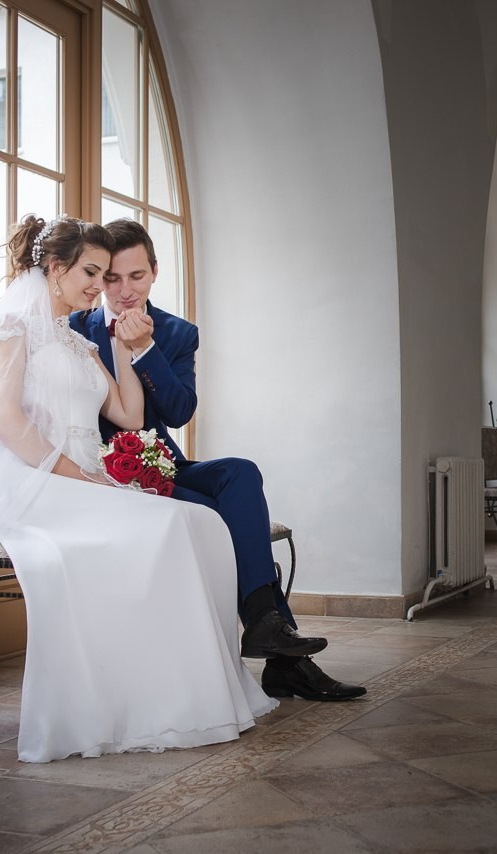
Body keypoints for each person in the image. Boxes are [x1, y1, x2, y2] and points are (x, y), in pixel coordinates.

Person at [0, 214, 278, 763]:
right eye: (92, 272)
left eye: (107, 273)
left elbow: (130, 415)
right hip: (42, 478)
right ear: (55, 267)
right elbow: (4, 422)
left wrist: (127, 347)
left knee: (204, 521)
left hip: (93, 475)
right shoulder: (11, 329)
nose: (101, 285)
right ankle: (146, 697)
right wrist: (80, 476)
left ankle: (186, 687)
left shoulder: (79, 342)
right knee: (173, 523)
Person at [70, 218, 366, 702]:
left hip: (165, 464)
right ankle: (284, 658)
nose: (125, 291)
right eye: (112, 278)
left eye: (137, 276)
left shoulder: (175, 332)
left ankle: (267, 627)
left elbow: (178, 411)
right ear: (99, 278)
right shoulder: (73, 330)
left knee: (240, 473)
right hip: (105, 476)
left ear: (155, 272)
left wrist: (145, 349)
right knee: (216, 516)